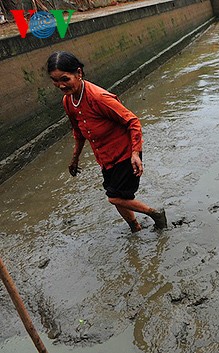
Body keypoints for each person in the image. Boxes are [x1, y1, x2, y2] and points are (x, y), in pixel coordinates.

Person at [47, 51, 168, 233]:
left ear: (78, 73)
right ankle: (135, 227)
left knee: (113, 197)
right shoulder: (68, 101)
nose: (60, 85)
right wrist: (75, 159)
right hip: (105, 158)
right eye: (55, 80)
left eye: (65, 79)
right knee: (118, 195)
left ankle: (155, 213)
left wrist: (135, 153)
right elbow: (78, 132)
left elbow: (132, 121)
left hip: (125, 154)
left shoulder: (99, 98)